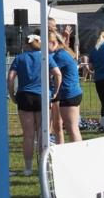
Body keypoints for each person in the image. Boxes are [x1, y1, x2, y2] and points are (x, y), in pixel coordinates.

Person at [7, 34, 60, 175]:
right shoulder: (46, 56)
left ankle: (28, 168)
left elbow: (10, 78)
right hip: (42, 95)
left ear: (26, 45)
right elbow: (58, 74)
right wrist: (55, 92)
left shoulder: (19, 58)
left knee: (28, 135)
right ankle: (44, 168)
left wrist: (12, 95)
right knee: (43, 134)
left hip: (24, 96)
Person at [48, 32, 82, 144]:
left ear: (53, 43)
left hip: (69, 93)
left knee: (72, 128)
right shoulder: (63, 53)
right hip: (73, 92)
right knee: (72, 127)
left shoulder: (59, 56)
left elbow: (47, 70)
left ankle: (78, 153)